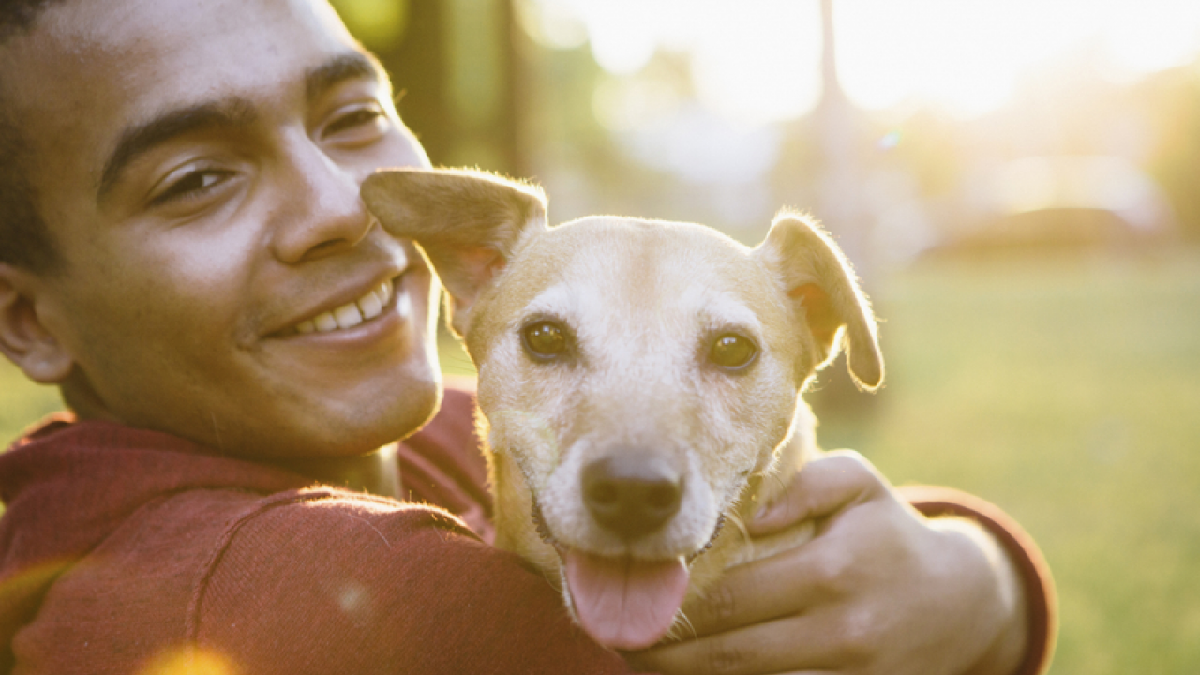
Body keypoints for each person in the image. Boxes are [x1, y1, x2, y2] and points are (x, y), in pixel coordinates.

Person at [0, 0, 1054, 673]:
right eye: (195, 180)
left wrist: (973, 569)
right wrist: (982, 604)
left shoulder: (454, 440)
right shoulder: (319, 605)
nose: (341, 205)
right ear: (28, 320)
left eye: (351, 118)